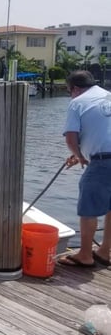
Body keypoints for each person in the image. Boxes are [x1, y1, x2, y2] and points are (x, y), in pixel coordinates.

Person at [58, 70, 111, 268]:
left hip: (102, 162)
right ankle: (105, 251)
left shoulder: (77, 102)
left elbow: (71, 139)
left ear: (76, 88)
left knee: (88, 208)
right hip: (104, 157)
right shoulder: (108, 96)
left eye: (69, 91)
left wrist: (79, 156)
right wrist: (83, 154)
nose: (70, 95)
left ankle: (85, 254)